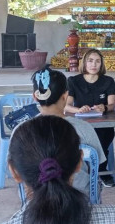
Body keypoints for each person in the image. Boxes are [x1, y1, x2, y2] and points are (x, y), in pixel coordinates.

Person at [31, 66, 105, 197]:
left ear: (35, 97)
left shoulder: (21, 131)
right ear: (65, 96)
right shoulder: (83, 128)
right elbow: (96, 161)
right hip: (80, 196)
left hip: (36, 199)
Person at [65, 49, 115, 187]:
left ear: (101, 64)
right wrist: (78, 110)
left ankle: (101, 171)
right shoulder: (73, 81)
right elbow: (67, 106)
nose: (94, 64)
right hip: (82, 124)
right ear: (84, 63)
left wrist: (104, 107)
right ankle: (84, 171)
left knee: (103, 136)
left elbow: (112, 104)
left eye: (97, 61)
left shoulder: (108, 81)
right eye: (90, 61)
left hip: (102, 124)